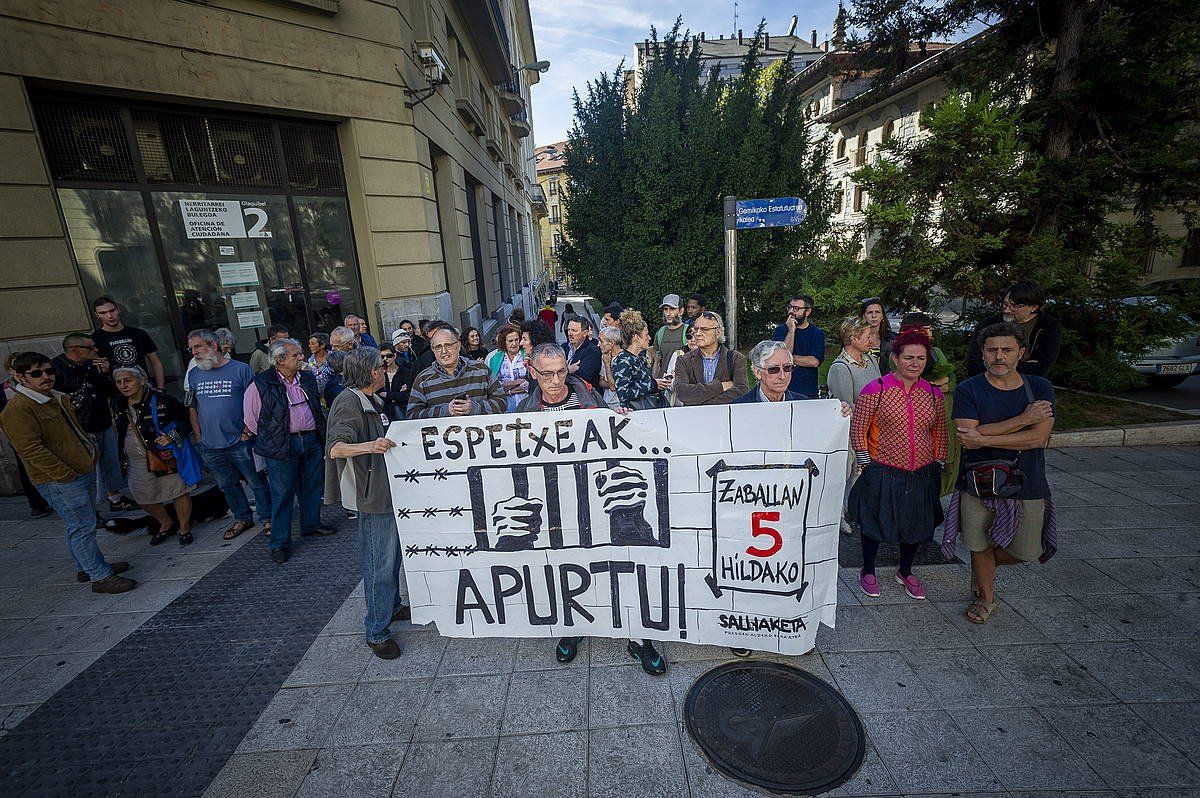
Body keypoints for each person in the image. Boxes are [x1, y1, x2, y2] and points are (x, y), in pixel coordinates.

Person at [512, 343, 667, 676]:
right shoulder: (524, 411)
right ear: (532, 370)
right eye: (546, 374)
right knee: (566, 566)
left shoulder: (588, 396)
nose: (555, 380)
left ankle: (638, 637)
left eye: (560, 371)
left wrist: (621, 421)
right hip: (557, 503)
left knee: (622, 562)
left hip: (600, 500)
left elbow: (612, 441)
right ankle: (572, 624)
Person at [945, 322, 1056, 624]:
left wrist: (985, 437)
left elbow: (1038, 438)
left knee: (1026, 551)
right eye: (992, 350)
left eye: (1006, 350)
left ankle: (985, 566)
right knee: (977, 543)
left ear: (1020, 353)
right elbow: (966, 435)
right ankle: (985, 597)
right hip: (978, 482)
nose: (999, 356)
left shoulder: (1040, 388)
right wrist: (1023, 418)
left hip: (1027, 481)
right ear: (982, 354)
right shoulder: (969, 389)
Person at [0, 351, 136, 592]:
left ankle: (88, 566)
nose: (46, 377)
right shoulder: (19, 409)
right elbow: (30, 449)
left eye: (49, 371)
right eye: (37, 373)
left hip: (78, 471)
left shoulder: (52, 397)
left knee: (80, 525)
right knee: (82, 526)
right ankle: (99, 576)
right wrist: (64, 474)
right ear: (21, 378)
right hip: (60, 479)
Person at [847, 331, 948, 601]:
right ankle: (867, 569)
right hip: (882, 467)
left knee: (915, 521)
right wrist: (866, 463)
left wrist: (938, 460)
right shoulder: (876, 389)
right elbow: (859, 428)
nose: (914, 363)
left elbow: (940, 430)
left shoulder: (934, 393)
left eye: (920, 358)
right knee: (874, 521)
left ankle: (905, 571)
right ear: (895, 358)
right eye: (908, 357)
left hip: (922, 470)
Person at [326, 347, 410, 659]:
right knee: (379, 564)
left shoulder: (368, 397)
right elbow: (336, 448)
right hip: (373, 496)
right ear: (369, 371)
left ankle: (392, 607)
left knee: (392, 558)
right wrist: (371, 446)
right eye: (380, 365)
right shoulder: (349, 401)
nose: (385, 368)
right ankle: (376, 631)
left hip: (386, 492)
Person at [243, 338, 334, 564]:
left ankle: (311, 525)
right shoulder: (261, 383)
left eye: (300, 354)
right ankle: (279, 543)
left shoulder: (308, 378)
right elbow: (251, 419)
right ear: (280, 360)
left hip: (311, 439)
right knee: (282, 494)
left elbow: (316, 405)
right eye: (296, 355)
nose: (301, 358)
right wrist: (273, 439)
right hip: (282, 444)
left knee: (312, 486)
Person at [186, 329, 271, 541]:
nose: (193, 352)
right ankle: (242, 517)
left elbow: (255, 402)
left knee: (256, 482)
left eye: (197, 347)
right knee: (227, 485)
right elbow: (192, 407)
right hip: (210, 443)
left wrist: (246, 431)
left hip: (240, 441)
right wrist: (198, 436)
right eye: (191, 348)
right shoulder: (194, 373)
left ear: (213, 346)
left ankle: (268, 518)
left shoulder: (240, 370)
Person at [51, 333, 136, 512]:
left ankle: (116, 498)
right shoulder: (55, 368)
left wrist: (106, 373)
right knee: (88, 470)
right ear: (74, 349)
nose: (95, 350)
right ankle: (89, 509)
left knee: (110, 461)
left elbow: (110, 392)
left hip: (101, 420)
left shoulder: (93, 364)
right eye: (90, 347)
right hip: (79, 428)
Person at [113, 366, 196, 546]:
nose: (123, 385)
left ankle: (184, 528)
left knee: (178, 491)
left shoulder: (163, 400)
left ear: (141, 380)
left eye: (128, 380)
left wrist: (171, 437)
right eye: (119, 382)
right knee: (141, 496)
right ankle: (166, 522)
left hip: (163, 455)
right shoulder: (118, 403)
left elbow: (185, 418)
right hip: (135, 460)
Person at [827, 317, 882, 533]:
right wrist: (863, 432)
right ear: (853, 338)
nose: (872, 340)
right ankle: (838, 515)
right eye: (867, 336)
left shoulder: (870, 360)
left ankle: (855, 508)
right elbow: (846, 406)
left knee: (861, 472)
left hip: (875, 428)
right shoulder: (840, 367)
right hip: (852, 431)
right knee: (847, 471)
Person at [899, 312, 960, 496]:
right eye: (928, 330)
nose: (931, 335)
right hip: (920, 416)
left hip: (945, 411)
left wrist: (945, 384)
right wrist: (933, 385)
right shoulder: (901, 354)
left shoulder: (937, 352)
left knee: (947, 459)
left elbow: (952, 378)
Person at [406, 325, 507, 418]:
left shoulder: (481, 370)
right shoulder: (423, 380)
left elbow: (502, 402)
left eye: (448, 345)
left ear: (458, 345)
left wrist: (474, 408)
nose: (444, 351)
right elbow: (412, 415)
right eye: (438, 347)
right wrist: (445, 411)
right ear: (432, 350)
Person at [966, 280, 1062, 378]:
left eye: (1014, 306)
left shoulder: (1049, 327)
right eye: (1005, 304)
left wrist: (996, 365)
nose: (1007, 310)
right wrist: (1025, 365)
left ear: (1033, 307)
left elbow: (1041, 369)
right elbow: (973, 366)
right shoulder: (988, 325)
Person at [672, 311, 748, 406]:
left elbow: (741, 392)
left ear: (718, 332)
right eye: (696, 329)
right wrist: (720, 386)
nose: (698, 333)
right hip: (694, 418)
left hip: (725, 417)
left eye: (704, 329)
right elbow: (683, 393)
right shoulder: (683, 360)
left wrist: (700, 402)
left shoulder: (735, 358)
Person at [90, 296, 164, 389]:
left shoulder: (138, 334)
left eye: (112, 310)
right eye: (103, 313)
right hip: (116, 392)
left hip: (143, 387)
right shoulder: (95, 339)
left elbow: (155, 361)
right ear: (97, 315)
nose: (109, 316)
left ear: (118, 310)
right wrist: (106, 369)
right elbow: (94, 370)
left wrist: (161, 388)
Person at [773, 295, 825, 398]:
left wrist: (790, 359)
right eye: (790, 307)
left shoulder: (817, 333)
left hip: (807, 391)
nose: (791, 312)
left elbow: (814, 362)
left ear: (808, 311)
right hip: (783, 391)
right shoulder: (781, 330)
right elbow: (781, 358)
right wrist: (791, 330)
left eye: (796, 308)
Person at [612, 309, 663, 410]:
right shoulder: (622, 360)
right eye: (646, 335)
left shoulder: (640, 357)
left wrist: (657, 383)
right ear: (636, 337)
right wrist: (653, 384)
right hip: (634, 414)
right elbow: (623, 394)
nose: (649, 338)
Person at [486, 324, 528, 412]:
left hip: (527, 404)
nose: (514, 343)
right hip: (505, 407)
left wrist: (508, 387)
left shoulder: (527, 354)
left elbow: (532, 383)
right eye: (510, 341)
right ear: (503, 342)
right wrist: (517, 382)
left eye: (516, 340)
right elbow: (494, 386)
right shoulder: (494, 358)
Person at [652, 294, 689, 378]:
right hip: (663, 384)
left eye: (672, 309)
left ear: (681, 311)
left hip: (682, 384)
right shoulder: (660, 332)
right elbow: (657, 361)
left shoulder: (688, 331)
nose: (668, 313)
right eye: (665, 309)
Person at [376, 343, 413, 421]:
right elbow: (378, 393)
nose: (385, 359)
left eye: (388, 356)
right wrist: (397, 394)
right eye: (382, 357)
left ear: (394, 356)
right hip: (384, 412)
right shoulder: (378, 373)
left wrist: (388, 395)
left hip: (402, 410)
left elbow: (408, 395)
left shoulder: (405, 372)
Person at [859, 298, 894, 374]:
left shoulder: (893, 339)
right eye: (870, 312)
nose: (874, 315)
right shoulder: (855, 338)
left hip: (886, 383)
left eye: (877, 312)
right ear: (864, 316)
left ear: (882, 316)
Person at [563, 316, 601, 386]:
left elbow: (582, 378)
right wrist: (568, 370)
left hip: (582, 394)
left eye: (574, 330)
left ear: (585, 333)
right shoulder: (563, 347)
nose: (570, 333)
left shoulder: (593, 352)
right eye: (569, 330)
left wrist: (562, 371)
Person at [595, 325, 624, 410]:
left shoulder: (623, 360)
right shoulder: (605, 356)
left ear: (611, 343)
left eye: (601, 341)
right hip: (606, 403)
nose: (598, 344)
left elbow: (613, 387)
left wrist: (607, 365)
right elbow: (601, 381)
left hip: (619, 406)